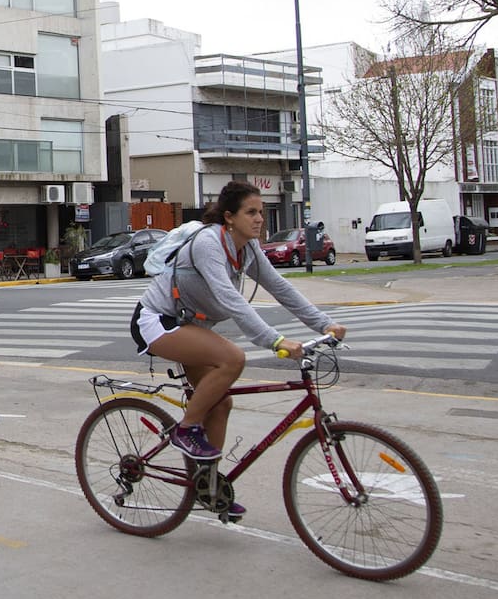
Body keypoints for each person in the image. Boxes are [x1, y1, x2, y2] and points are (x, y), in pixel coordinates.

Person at [130, 180, 347, 519]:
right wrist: (275, 341)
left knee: (221, 403)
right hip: (158, 321)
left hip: (190, 325)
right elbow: (230, 300)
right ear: (229, 217)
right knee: (233, 359)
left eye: (261, 212)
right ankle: (187, 429)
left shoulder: (248, 248)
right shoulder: (208, 243)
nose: (260, 219)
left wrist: (323, 324)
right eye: (251, 212)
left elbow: (280, 287)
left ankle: (209, 487)